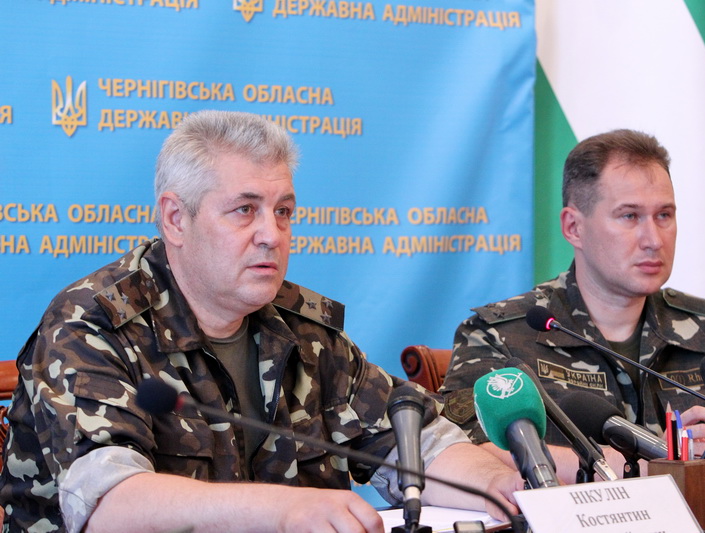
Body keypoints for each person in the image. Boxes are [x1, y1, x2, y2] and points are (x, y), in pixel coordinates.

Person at [0, 110, 523, 532]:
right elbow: (112, 507)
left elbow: (419, 445)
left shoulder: (304, 331)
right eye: (245, 210)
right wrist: (283, 511)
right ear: (176, 219)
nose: (272, 234)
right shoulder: (91, 325)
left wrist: (490, 483)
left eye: (284, 211)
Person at [440, 128, 705, 483]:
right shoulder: (502, 336)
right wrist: (642, 465)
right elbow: (465, 450)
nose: (653, 240)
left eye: (664, 215)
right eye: (629, 216)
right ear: (574, 227)